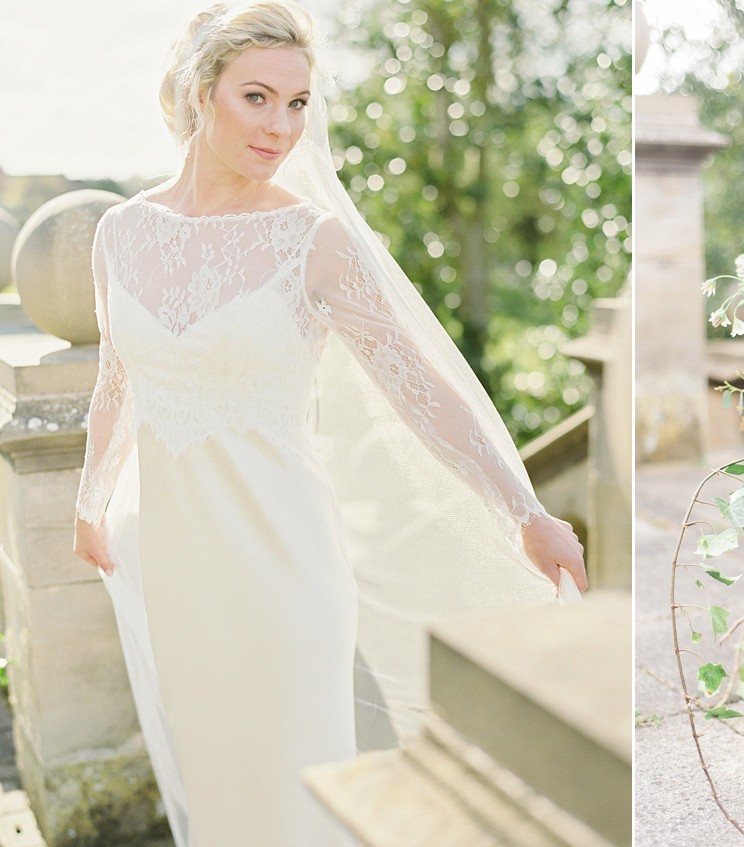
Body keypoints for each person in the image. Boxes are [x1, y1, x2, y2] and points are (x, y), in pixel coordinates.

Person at [70, 2, 587, 845]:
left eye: (299, 103)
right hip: (178, 574)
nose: (283, 126)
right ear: (202, 94)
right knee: (222, 789)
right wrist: (90, 504)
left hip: (285, 572)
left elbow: (421, 392)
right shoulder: (120, 233)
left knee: (297, 795)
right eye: (258, 98)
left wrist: (524, 513)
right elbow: (114, 384)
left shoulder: (313, 240)